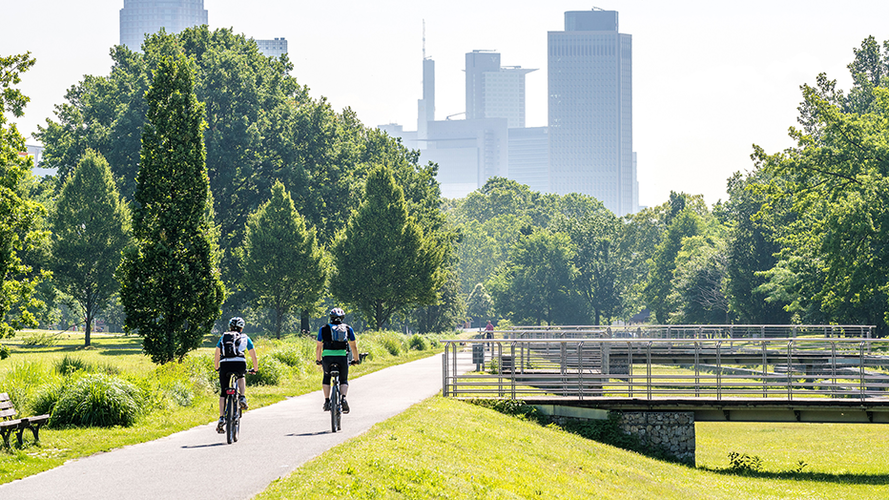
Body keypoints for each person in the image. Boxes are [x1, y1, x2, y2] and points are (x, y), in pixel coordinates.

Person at [214, 317, 258, 433]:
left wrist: (217, 367)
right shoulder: (245, 337)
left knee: (223, 392)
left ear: (230, 327)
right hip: (239, 363)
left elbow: (217, 353)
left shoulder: (223, 337)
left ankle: (221, 417)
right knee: (241, 376)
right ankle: (242, 396)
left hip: (225, 365)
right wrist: (255, 369)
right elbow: (253, 355)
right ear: (241, 328)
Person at [315, 307, 359, 413]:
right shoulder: (348, 328)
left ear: (331, 318)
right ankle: (343, 398)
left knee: (326, 377)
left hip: (327, 357)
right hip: (342, 357)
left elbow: (319, 347)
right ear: (342, 318)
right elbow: (353, 346)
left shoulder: (323, 328)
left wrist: (318, 360)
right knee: (343, 379)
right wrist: (356, 359)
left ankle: (326, 401)